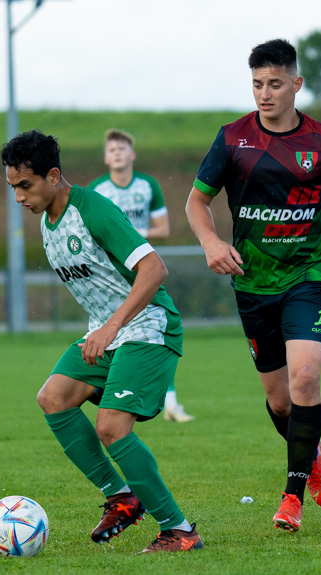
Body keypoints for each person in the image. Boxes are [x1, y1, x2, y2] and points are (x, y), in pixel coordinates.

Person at [185, 39, 321, 532]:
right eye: (257, 84)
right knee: (279, 400)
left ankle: (291, 497)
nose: (265, 94)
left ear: (296, 84)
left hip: (311, 275)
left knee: (305, 380)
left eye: (275, 83)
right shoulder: (233, 138)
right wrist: (212, 242)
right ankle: (312, 460)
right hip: (253, 283)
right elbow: (196, 202)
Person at [1, 129, 202, 553]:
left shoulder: (94, 210)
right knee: (53, 397)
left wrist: (111, 327)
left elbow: (154, 269)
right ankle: (122, 497)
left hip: (149, 326)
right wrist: (105, 328)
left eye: (25, 185)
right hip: (107, 332)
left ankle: (179, 530)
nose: (18, 196)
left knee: (111, 427)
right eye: (13, 187)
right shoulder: (46, 223)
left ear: (53, 176)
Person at [88, 129, 194, 423]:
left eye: (122, 148)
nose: (117, 153)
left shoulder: (148, 186)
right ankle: (104, 390)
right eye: (111, 150)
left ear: (132, 155)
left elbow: (164, 229)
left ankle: (169, 402)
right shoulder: (97, 190)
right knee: (114, 333)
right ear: (105, 158)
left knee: (157, 333)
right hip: (111, 275)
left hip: (142, 269)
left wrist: (133, 237)